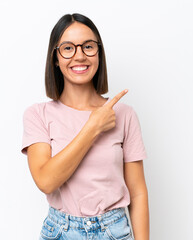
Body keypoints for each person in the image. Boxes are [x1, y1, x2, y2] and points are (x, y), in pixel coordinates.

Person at [21, 13, 149, 240]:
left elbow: (138, 192)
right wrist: (93, 127)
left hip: (114, 231)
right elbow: (46, 181)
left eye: (88, 46)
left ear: (99, 53)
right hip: (60, 231)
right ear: (55, 58)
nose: (79, 56)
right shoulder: (38, 115)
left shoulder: (123, 114)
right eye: (68, 48)